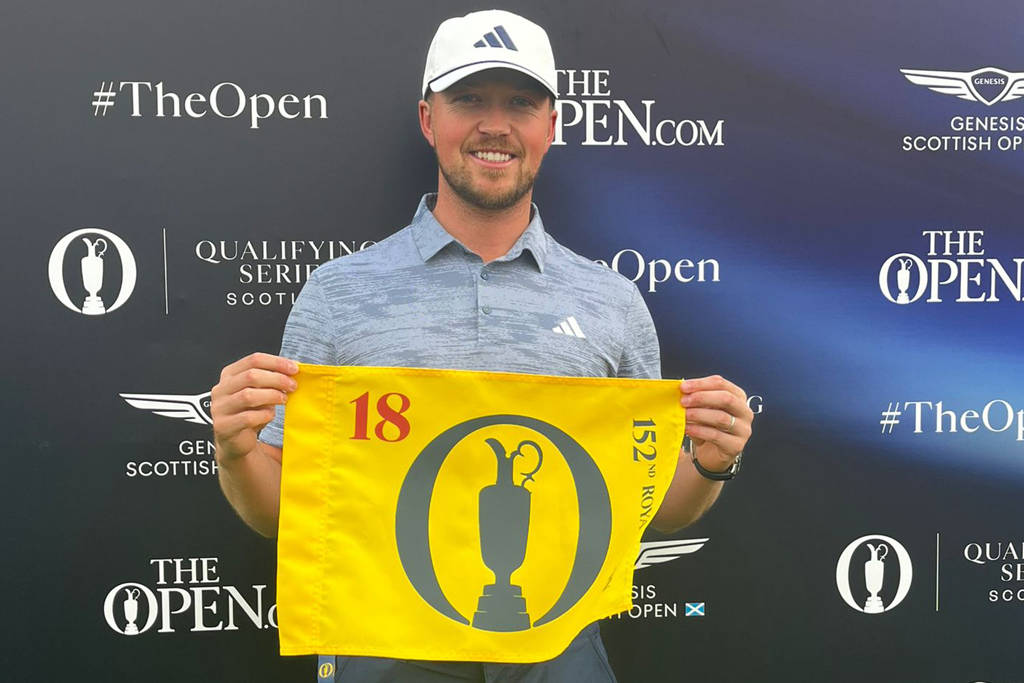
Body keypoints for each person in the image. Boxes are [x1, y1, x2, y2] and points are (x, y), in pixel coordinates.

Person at [211, 9, 753, 682]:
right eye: (469, 99)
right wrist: (235, 453)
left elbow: (649, 510)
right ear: (427, 118)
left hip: (559, 652)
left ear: (550, 127)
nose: (494, 125)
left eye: (520, 103)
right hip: (386, 651)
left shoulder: (612, 303)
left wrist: (708, 463)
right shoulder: (337, 293)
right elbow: (280, 513)